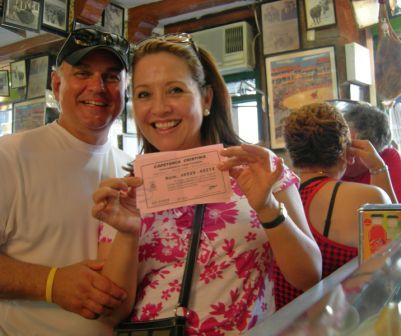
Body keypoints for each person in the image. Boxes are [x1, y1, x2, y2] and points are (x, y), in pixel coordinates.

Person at [91, 34, 322, 334]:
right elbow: (112, 314)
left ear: (207, 98)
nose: (159, 109)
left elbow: (309, 276)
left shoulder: (261, 171)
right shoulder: (127, 196)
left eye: (175, 90)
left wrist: (267, 208)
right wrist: (127, 231)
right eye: (144, 95)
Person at [0, 27, 132, 335]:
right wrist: (51, 283)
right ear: (57, 83)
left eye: (111, 77)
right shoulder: (10, 155)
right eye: (83, 73)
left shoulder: (131, 169)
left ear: (125, 88)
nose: (97, 87)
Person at [273, 102, 393, 309]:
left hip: (289, 325)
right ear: (345, 151)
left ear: (293, 153)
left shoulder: (277, 200)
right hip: (346, 324)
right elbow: (396, 253)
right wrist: (378, 167)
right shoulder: (368, 198)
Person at [341, 104, 401, 203]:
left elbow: (398, 216)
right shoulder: (329, 163)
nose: (345, 156)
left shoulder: (389, 159)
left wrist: (378, 168)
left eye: (352, 147)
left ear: (377, 153)